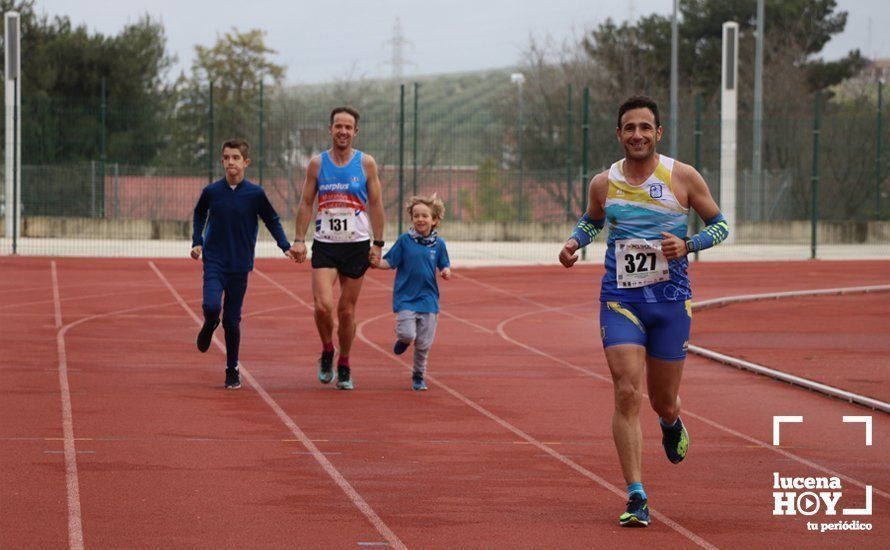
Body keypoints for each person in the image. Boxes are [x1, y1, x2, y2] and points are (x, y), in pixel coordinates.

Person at [558, 96, 729, 527]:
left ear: (658, 133)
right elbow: (593, 219)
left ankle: (672, 423)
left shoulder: (682, 176)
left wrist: (688, 245)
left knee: (662, 400)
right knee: (626, 392)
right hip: (621, 299)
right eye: (629, 128)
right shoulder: (604, 182)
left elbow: (721, 225)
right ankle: (636, 493)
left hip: (671, 302)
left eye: (645, 127)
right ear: (619, 134)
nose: (637, 135)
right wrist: (575, 242)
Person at [289, 106, 385, 391]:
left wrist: (378, 244)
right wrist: (299, 239)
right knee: (323, 305)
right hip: (326, 244)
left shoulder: (366, 163)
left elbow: (377, 204)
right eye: (338, 126)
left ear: (356, 132)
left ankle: (344, 362)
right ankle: (327, 349)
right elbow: (307, 202)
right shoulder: (317, 164)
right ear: (330, 129)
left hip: (356, 245)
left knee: (346, 311)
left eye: (348, 127)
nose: (342, 131)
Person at [191, 138, 295, 389]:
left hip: (240, 264)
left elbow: (271, 219)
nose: (230, 162)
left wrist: (285, 246)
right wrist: (198, 241)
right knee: (212, 305)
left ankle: (232, 369)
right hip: (214, 260)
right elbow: (199, 213)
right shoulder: (212, 192)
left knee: (232, 321)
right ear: (222, 161)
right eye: (226, 157)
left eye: (235, 157)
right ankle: (209, 322)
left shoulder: (255, 194)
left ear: (246, 162)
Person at [371, 194, 452, 391]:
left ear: (434, 220)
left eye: (425, 216)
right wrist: (375, 263)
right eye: (416, 216)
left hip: (429, 299)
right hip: (406, 297)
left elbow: (444, 263)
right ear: (412, 218)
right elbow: (390, 262)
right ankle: (403, 340)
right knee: (408, 334)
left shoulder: (438, 245)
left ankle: (418, 375)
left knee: (424, 344)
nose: (420, 219)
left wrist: (446, 271)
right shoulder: (404, 241)